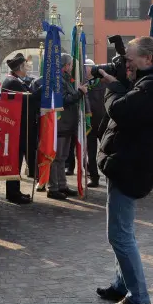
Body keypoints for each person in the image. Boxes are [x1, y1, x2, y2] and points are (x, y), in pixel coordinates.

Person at [96, 36, 153, 304]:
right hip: (130, 162)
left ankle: (138, 297)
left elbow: (121, 110)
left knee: (119, 234)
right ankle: (122, 285)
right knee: (125, 229)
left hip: (130, 165)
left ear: (148, 59)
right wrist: (123, 82)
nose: (127, 63)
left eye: (131, 59)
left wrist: (112, 86)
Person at [0, 53, 35, 204]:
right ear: (20, 68)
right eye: (26, 66)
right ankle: (12, 193)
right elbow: (28, 99)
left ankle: (15, 190)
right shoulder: (12, 82)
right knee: (15, 161)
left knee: (17, 161)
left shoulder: (16, 80)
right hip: (16, 127)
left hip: (18, 126)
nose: (28, 68)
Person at [47, 54, 81, 200]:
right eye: (71, 65)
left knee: (62, 157)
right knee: (55, 158)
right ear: (65, 65)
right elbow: (64, 100)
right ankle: (53, 187)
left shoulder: (66, 79)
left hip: (68, 124)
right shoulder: (59, 80)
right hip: (61, 124)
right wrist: (80, 93)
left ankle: (62, 185)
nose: (72, 67)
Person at [83, 59, 106, 188]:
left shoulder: (103, 83)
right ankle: (94, 177)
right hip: (89, 124)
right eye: (84, 67)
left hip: (102, 122)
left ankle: (109, 175)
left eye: (87, 67)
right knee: (90, 153)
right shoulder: (82, 84)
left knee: (106, 151)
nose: (85, 69)